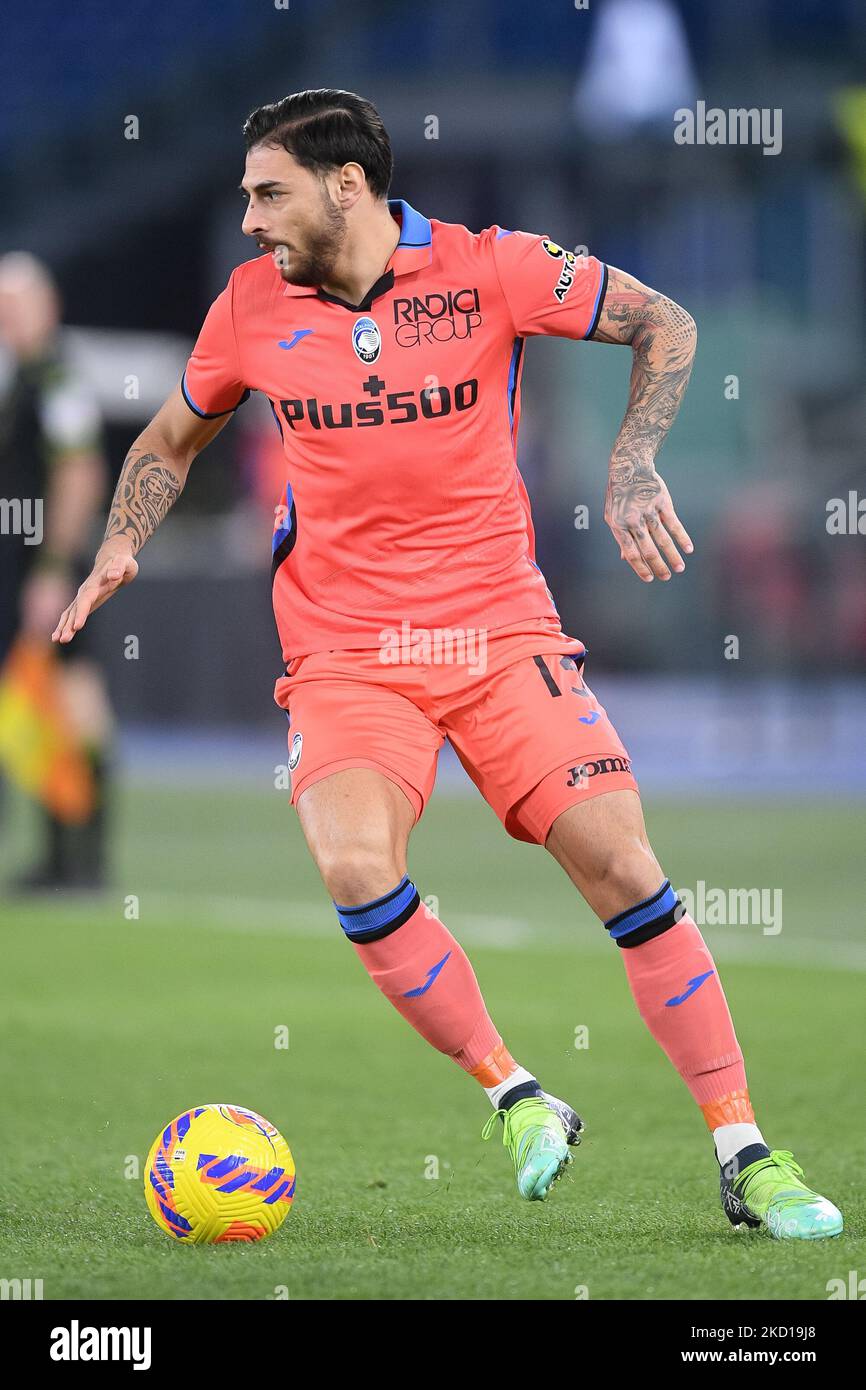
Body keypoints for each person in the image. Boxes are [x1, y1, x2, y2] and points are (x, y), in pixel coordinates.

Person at [53, 89, 841, 1238]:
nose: (249, 222)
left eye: (267, 195)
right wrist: (123, 535)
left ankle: (743, 1151)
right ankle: (517, 1094)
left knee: (619, 862)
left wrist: (631, 464)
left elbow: (661, 321)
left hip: (495, 631)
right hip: (344, 650)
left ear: (347, 186)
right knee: (353, 863)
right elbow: (171, 437)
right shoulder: (248, 309)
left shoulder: (494, 270)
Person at [0, 252, 112, 890]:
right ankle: (58, 852)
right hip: (25, 566)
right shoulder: (24, 377)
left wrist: (52, 569)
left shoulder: (58, 378)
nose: (7, 318)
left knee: (73, 699)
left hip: (49, 567)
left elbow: (79, 474)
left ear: (48, 307)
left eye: (17, 305)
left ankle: (82, 855)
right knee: (39, 703)